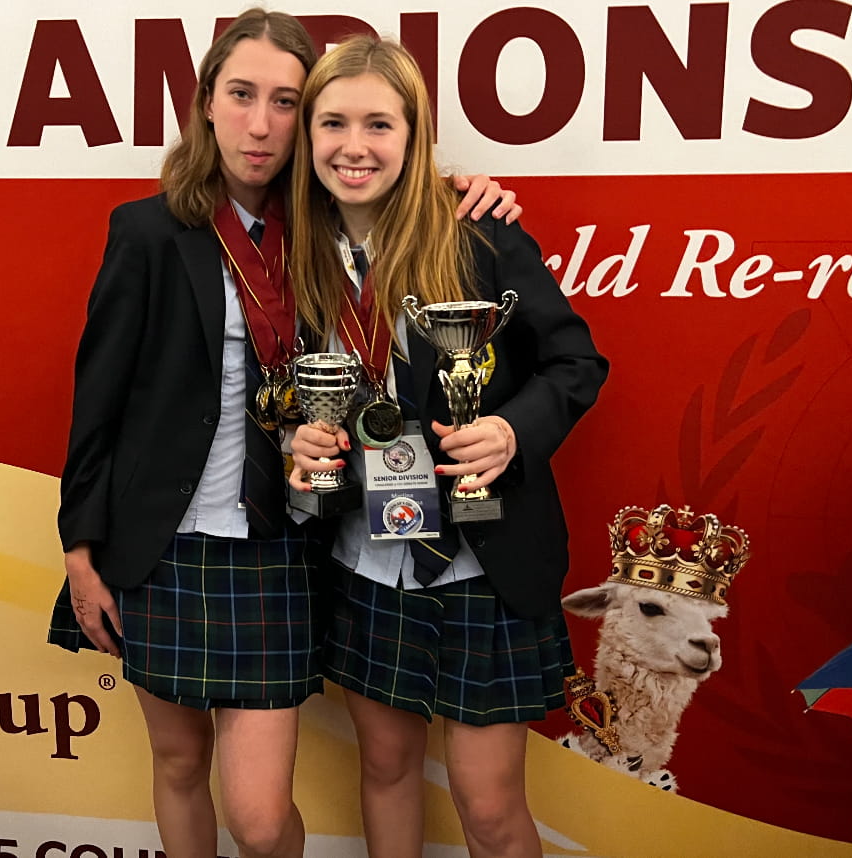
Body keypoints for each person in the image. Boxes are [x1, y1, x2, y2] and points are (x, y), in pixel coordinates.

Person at [46, 10, 521, 858]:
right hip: (158, 543)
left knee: (261, 821)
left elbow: (412, 217)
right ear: (206, 103)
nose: (261, 124)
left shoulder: (332, 230)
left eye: (286, 102)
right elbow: (99, 401)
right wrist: (80, 545)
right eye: (241, 95)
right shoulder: (149, 232)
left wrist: (467, 193)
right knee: (179, 760)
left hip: (279, 543)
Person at [288, 36, 608, 857]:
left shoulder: (478, 229)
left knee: (491, 809)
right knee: (388, 773)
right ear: (307, 135)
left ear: (416, 133)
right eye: (332, 122)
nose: (354, 145)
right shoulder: (285, 254)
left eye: (379, 123)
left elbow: (577, 361)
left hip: (483, 560)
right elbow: (273, 387)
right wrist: (300, 434)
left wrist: (510, 430)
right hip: (368, 557)